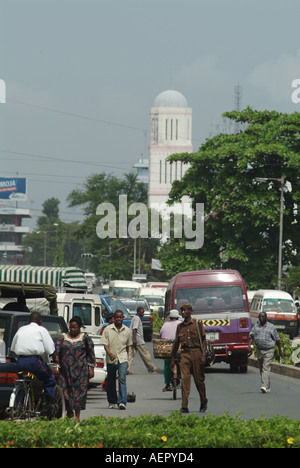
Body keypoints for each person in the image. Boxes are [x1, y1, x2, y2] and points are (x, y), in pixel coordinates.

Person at [11, 312, 56, 413]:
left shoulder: (21, 329)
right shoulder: (41, 330)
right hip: (34, 361)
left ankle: (19, 405)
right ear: (40, 321)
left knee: (21, 382)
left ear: (29, 320)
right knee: (49, 378)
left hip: (21, 361)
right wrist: (55, 358)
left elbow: (13, 347)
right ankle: (46, 403)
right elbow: (50, 349)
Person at [55, 316, 95, 421]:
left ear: (79, 327)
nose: (72, 329)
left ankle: (77, 416)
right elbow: (56, 353)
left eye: (75, 327)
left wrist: (91, 368)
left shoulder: (85, 338)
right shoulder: (62, 338)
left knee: (79, 394)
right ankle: (68, 409)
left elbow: (90, 354)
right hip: (65, 370)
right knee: (64, 392)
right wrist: (56, 365)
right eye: (71, 327)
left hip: (80, 371)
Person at [171, 303, 207, 413]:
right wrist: (172, 359)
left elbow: (204, 340)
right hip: (185, 354)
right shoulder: (180, 327)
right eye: (181, 311)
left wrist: (203, 355)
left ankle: (203, 400)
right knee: (185, 380)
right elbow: (176, 343)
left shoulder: (197, 324)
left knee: (199, 380)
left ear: (190, 311)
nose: (183, 313)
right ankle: (184, 406)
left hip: (197, 353)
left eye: (185, 310)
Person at [102, 310, 132, 410]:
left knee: (122, 379)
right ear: (114, 318)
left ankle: (122, 402)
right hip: (111, 359)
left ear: (123, 318)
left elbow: (127, 346)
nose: (119, 319)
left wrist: (126, 358)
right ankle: (112, 401)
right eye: (117, 317)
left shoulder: (127, 331)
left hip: (122, 358)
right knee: (111, 381)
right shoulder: (108, 329)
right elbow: (105, 344)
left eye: (120, 317)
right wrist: (110, 353)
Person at [248, 311, 283, 393]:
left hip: (269, 350)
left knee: (265, 367)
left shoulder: (271, 327)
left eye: (263, 317)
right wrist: (249, 345)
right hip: (259, 350)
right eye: (260, 317)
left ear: (266, 317)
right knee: (261, 369)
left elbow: (277, 339)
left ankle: (264, 385)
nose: (261, 318)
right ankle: (267, 385)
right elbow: (251, 336)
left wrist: (280, 350)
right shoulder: (256, 327)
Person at [128, 307, 160, 374]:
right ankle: (151, 368)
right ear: (138, 312)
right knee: (145, 354)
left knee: (130, 356)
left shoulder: (134, 318)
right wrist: (135, 339)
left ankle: (126, 369)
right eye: (142, 312)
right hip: (138, 340)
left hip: (133, 339)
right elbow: (134, 329)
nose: (143, 314)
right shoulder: (137, 318)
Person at [159, 309, 180, 392]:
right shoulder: (180, 324)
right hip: (178, 348)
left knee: (167, 365)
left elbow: (161, 336)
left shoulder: (165, 324)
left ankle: (167, 384)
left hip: (167, 348)